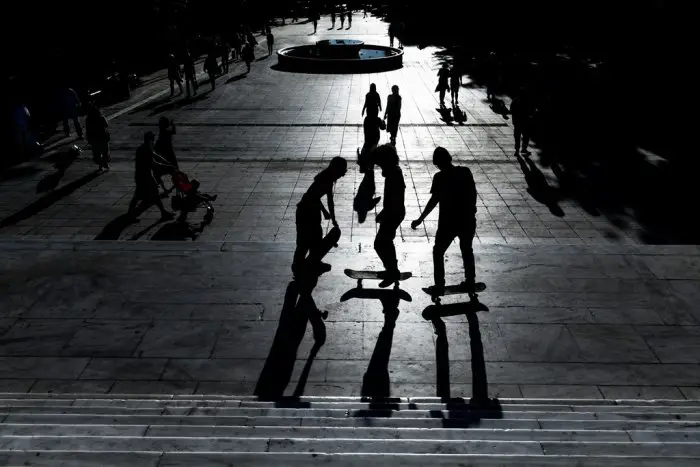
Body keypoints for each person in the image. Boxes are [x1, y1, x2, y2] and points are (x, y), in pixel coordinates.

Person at [411, 147, 477, 295]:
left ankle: (440, 285)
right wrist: (472, 211)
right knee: (467, 250)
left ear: (438, 163)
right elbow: (473, 194)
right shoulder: (465, 172)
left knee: (438, 252)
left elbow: (434, 201)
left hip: (448, 223)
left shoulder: (439, 178)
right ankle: (470, 282)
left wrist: (420, 219)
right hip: (467, 220)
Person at [292, 157, 348, 277]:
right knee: (304, 242)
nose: (342, 175)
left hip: (312, 212)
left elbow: (330, 200)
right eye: (342, 171)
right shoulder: (324, 179)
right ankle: (297, 267)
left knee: (316, 239)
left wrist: (333, 218)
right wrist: (324, 211)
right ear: (336, 169)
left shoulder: (329, 178)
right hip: (305, 212)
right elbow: (312, 196)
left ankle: (314, 263)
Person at [373, 144, 406, 288]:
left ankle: (392, 272)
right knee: (386, 242)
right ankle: (393, 270)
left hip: (393, 214)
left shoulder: (394, 174)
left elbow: (395, 198)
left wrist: (385, 213)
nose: (379, 166)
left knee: (380, 244)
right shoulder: (394, 171)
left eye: (380, 163)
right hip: (394, 213)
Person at [127, 132, 175, 220]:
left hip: (145, 176)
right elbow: (154, 163)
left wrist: (166, 162)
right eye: (152, 140)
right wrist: (166, 166)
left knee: (146, 195)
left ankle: (163, 213)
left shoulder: (144, 148)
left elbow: (155, 156)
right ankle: (130, 214)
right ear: (149, 140)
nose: (153, 142)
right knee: (139, 196)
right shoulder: (145, 150)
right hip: (145, 177)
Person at [154, 116, 178, 191]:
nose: (159, 124)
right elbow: (173, 131)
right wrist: (172, 125)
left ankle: (165, 188)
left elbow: (158, 144)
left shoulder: (164, 132)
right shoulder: (165, 132)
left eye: (160, 122)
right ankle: (168, 188)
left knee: (158, 173)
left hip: (166, 156)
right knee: (174, 172)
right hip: (167, 156)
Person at [85, 104, 110, 170]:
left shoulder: (88, 119)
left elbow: (87, 129)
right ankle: (104, 162)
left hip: (94, 137)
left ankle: (100, 165)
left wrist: (88, 138)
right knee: (105, 151)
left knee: (96, 152)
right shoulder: (101, 117)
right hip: (102, 136)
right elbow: (106, 125)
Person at [511, 88, 535, 155]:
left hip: (517, 121)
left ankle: (517, 150)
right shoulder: (528, 101)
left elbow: (512, 110)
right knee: (526, 136)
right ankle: (524, 149)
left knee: (517, 136)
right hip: (526, 121)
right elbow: (532, 111)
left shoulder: (515, 100)